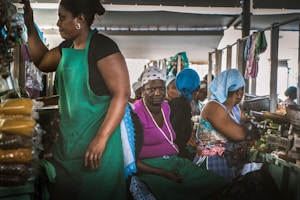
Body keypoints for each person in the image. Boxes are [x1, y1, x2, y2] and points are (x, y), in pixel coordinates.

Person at [22, 0, 131, 199]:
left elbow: (122, 94)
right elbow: (41, 60)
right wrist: (30, 24)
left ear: (80, 19)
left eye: (62, 17)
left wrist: (101, 138)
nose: (58, 23)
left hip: (98, 151)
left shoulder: (102, 46)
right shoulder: (66, 48)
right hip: (67, 148)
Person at [132, 66, 226, 200]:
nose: (158, 93)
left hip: (174, 161)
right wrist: (163, 173)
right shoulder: (136, 113)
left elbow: (172, 138)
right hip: (151, 167)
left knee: (215, 181)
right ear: (142, 91)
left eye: (161, 88)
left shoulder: (166, 108)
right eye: (151, 89)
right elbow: (131, 159)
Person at [193, 69, 254, 183]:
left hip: (227, 163)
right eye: (242, 89)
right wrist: (247, 128)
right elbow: (240, 134)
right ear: (239, 92)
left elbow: (250, 135)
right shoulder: (213, 107)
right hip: (211, 164)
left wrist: (247, 131)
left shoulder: (235, 109)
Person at [168, 68, 200, 160]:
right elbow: (174, 137)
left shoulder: (175, 103)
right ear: (197, 88)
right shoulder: (184, 107)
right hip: (174, 156)